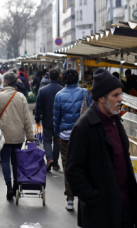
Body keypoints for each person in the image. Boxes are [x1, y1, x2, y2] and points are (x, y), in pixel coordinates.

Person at [66, 68, 137, 228]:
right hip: (101, 213)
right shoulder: (84, 127)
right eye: (115, 95)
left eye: (121, 94)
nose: (121, 99)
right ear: (101, 97)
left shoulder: (116, 121)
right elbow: (73, 172)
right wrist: (94, 198)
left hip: (125, 207)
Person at [0, 71, 34, 200]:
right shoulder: (21, 97)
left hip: (3, 135)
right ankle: (16, 185)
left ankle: (8, 186)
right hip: (18, 135)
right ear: (16, 82)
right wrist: (30, 136)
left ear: (5, 82)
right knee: (16, 160)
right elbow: (27, 119)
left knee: (5, 160)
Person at [53, 69, 92, 211]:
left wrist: (57, 134)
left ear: (64, 80)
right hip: (83, 136)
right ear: (77, 79)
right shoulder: (85, 92)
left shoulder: (58, 95)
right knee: (83, 165)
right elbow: (91, 113)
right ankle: (84, 196)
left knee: (68, 166)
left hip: (65, 137)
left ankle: (69, 199)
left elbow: (56, 118)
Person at [35, 68, 63, 172]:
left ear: (49, 77)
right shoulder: (62, 89)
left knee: (47, 141)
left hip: (46, 120)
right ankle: (55, 162)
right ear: (59, 76)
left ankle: (49, 158)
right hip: (59, 121)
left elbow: (38, 107)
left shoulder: (43, 90)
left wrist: (37, 118)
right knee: (57, 142)